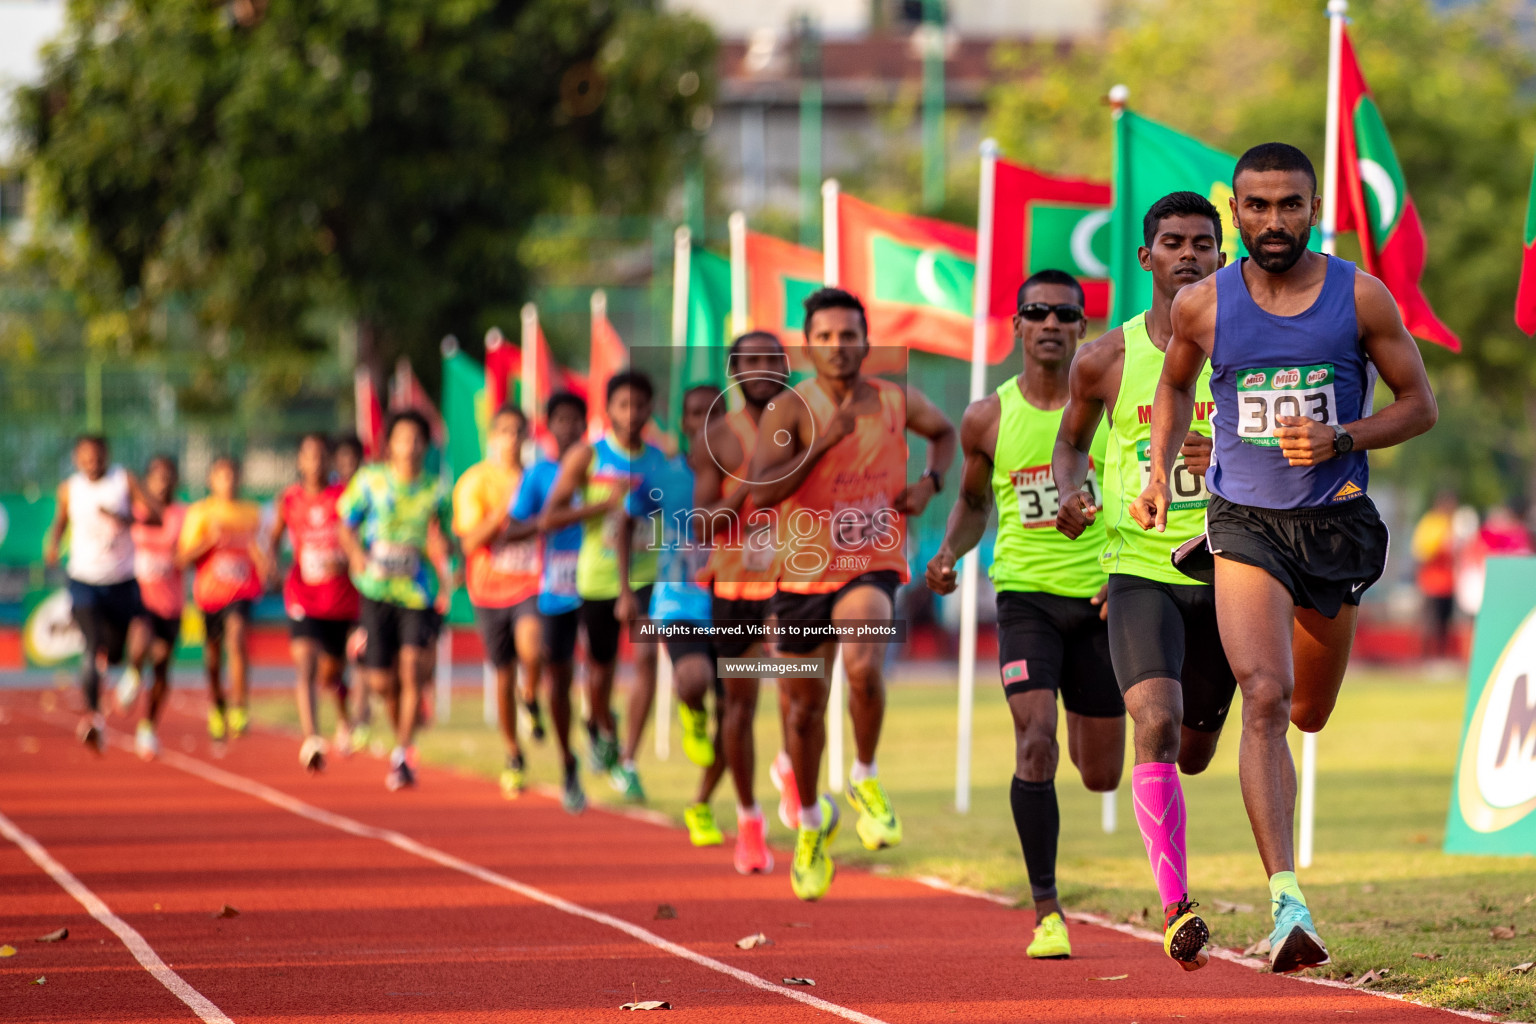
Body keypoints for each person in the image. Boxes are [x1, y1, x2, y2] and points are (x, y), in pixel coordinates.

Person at [1137, 144, 1437, 973]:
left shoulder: (1358, 297)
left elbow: (1420, 405)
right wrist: (1159, 472)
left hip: (1332, 528)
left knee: (1308, 712)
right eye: (1259, 205)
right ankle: (1287, 902)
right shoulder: (1205, 305)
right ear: (1235, 210)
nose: (1275, 221)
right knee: (1264, 696)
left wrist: (1343, 435)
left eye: (1291, 205)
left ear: (1314, 208)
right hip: (1243, 522)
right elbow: (1171, 385)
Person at [1054, 192, 1236, 972]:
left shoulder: (1248, 349)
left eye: (1202, 243)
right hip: (1138, 569)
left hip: (1230, 565)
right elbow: (1069, 446)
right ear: (1146, 258)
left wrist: (1223, 449)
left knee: (1193, 753)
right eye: (1173, 242)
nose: (1188, 254)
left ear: (1222, 257)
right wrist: (1074, 490)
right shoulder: (1105, 359)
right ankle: (1176, 909)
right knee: (1154, 725)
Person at [927, 268, 1122, 960]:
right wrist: (950, 552)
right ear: (1016, 326)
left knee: (1100, 773)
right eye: (1035, 311)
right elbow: (975, 502)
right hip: (1025, 599)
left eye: (1063, 315)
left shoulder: (1112, 406)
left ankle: (1088, 718)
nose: (1049, 323)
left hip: (1102, 601)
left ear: (1081, 328)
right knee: (1033, 741)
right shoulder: (988, 416)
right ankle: (1047, 910)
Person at [749, 287, 956, 901]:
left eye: (849, 336)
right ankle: (812, 820)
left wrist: (931, 482)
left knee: (864, 666)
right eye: (826, 337)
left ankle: (865, 776)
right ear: (808, 346)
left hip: (872, 558)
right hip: (802, 572)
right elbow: (759, 493)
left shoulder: (894, 400)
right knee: (803, 710)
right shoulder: (789, 410)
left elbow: (944, 434)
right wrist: (821, 441)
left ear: (867, 342)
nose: (839, 347)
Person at [619, 385, 758, 858]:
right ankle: (690, 709)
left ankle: (700, 803)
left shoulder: (748, 471)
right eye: (693, 413)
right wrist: (625, 588)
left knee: (736, 719)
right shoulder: (661, 473)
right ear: (680, 422)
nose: (701, 422)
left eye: (711, 414)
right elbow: (625, 521)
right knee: (694, 678)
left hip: (734, 600)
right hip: (679, 601)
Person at [692, 332, 792, 871]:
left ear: (786, 366)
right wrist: (750, 486)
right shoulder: (717, 436)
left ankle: (790, 766)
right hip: (733, 586)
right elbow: (704, 521)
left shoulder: (804, 423)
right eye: (749, 360)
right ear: (733, 370)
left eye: (771, 359)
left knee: (797, 688)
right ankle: (749, 818)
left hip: (792, 578)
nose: (761, 368)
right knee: (738, 706)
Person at [544, 370, 667, 802]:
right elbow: (549, 517)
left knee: (648, 659)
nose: (632, 414)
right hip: (597, 580)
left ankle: (629, 760)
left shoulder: (662, 459)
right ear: (609, 409)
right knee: (600, 674)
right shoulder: (587, 458)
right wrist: (601, 505)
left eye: (640, 405)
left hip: (650, 576)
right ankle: (600, 723)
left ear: (651, 409)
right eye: (623, 405)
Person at [337, 410, 455, 791]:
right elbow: (345, 523)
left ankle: (403, 752)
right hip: (375, 591)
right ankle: (403, 718)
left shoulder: (435, 490)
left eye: (418, 438)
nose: (411, 445)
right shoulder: (370, 481)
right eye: (403, 438)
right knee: (381, 681)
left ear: (426, 445)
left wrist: (444, 549)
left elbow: (447, 536)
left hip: (416, 592)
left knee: (411, 667)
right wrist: (355, 553)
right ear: (390, 444)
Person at [44, 435, 162, 752]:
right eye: (85, 457)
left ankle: (133, 677)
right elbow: (61, 520)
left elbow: (156, 514)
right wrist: (53, 542)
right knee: (92, 645)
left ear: (107, 455)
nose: (92, 463)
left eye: (97, 457)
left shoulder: (123, 480)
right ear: (76, 458)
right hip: (84, 580)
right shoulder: (70, 489)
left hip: (123, 580)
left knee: (142, 638)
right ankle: (94, 718)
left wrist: (125, 518)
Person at [453, 404, 545, 798]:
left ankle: (531, 697)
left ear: (527, 438)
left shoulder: (538, 479)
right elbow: (471, 541)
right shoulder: (475, 481)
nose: (511, 439)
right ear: (493, 437)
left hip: (530, 584)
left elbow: (549, 522)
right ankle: (512, 752)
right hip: (488, 590)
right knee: (503, 673)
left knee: (533, 647)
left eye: (518, 431)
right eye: (504, 431)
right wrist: (507, 508)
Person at [510, 391, 590, 813]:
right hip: (556, 589)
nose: (569, 427)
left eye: (576, 419)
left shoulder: (602, 467)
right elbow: (513, 529)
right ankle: (567, 758)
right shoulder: (539, 474)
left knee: (600, 667)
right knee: (558, 681)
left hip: (599, 583)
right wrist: (558, 518)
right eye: (560, 419)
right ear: (549, 424)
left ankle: (598, 729)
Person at [267, 433, 361, 773]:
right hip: (302, 595)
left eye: (322, 456)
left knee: (332, 672)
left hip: (339, 599)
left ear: (330, 461)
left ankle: (344, 717)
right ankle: (312, 739)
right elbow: (273, 538)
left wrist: (349, 558)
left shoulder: (345, 497)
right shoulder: (289, 500)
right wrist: (271, 564)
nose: (316, 462)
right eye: (309, 456)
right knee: (305, 663)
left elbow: (359, 535)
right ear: (300, 462)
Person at [178, 455, 267, 743]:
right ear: (211, 480)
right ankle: (218, 705)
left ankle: (240, 707)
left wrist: (265, 563)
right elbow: (182, 559)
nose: (228, 483)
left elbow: (261, 551)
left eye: (233, 476)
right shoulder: (200, 513)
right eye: (222, 477)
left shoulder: (252, 513)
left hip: (241, 593)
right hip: (210, 596)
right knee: (214, 657)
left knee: (237, 639)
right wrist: (209, 541)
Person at [124, 456, 186, 760]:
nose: (163, 483)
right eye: (157, 477)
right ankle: (134, 674)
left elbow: (188, 552)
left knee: (161, 665)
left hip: (171, 604)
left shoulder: (181, 515)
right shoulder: (133, 513)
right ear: (147, 482)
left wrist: (183, 554)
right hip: (140, 598)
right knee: (139, 641)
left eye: (168, 477)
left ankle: (148, 727)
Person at [1410, 491, 1459, 659]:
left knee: (1444, 623)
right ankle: (1425, 657)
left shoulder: (1452, 523)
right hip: (1432, 581)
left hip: (1448, 582)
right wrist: (1441, 545)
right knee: (1430, 621)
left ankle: (1440, 656)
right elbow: (1421, 551)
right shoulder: (1430, 522)